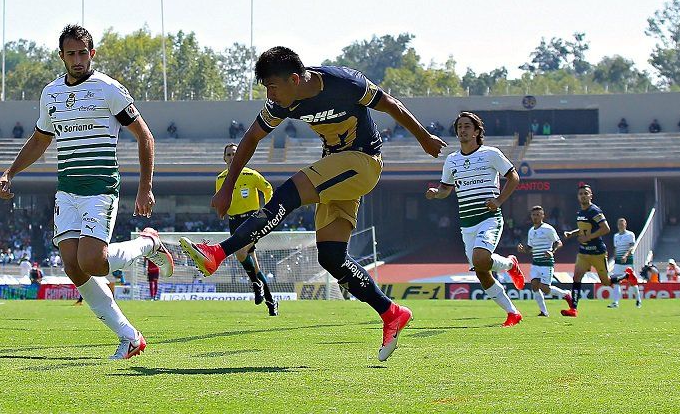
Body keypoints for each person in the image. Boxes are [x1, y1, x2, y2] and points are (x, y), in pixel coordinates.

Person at [179, 46, 447, 362]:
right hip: (338, 171)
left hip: (363, 163)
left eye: (272, 86)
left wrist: (424, 137)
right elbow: (251, 137)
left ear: (294, 79)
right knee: (332, 258)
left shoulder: (345, 82)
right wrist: (227, 187)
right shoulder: (282, 102)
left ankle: (218, 252)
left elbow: (390, 105)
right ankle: (391, 312)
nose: (270, 94)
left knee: (287, 195)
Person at [0, 24, 174, 360]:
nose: (77, 59)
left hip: (100, 187)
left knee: (93, 262)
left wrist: (145, 187)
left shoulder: (108, 89)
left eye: (82, 53)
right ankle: (129, 336)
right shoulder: (50, 94)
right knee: (73, 267)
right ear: (61, 56)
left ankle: (148, 244)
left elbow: (145, 136)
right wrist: (10, 172)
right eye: (70, 53)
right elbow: (40, 140)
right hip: (68, 191)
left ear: (92, 54)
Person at [427, 111, 525, 326]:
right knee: (481, 272)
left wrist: (498, 201)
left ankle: (509, 266)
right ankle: (512, 312)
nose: (462, 130)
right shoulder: (452, 160)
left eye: (467, 126)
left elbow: (513, 177)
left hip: (489, 218)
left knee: (481, 259)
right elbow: (446, 189)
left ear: (477, 131)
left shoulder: (491, 154)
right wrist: (436, 193)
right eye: (459, 127)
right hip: (467, 223)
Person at [214, 142, 278, 315]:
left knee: (240, 253)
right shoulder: (220, 179)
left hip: (252, 219)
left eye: (234, 153)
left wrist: (267, 210)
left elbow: (268, 188)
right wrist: (220, 208)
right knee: (253, 264)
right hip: (233, 221)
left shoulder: (251, 174)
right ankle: (271, 300)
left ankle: (256, 285)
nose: (231, 157)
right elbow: (221, 199)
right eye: (228, 154)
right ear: (224, 158)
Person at [561, 183, 612, 315]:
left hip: (597, 252)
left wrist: (589, 236)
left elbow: (605, 228)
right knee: (577, 278)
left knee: (606, 282)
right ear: (578, 197)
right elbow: (585, 229)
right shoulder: (580, 212)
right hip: (583, 252)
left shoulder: (594, 211)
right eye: (581, 194)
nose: (583, 196)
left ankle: (627, 276)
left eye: (586, 193)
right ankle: (573, 309)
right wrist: (572, 233)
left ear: (591, 196)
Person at [516, 205, 574, 317]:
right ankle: (544, 311)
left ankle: (566, 294)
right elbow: (529, 248)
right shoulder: (531, 231)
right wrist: (523, 250)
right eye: (534, 215)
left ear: (543, 215)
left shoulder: (548, 229)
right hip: (535, 263)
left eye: (538, 214)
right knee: (534, 286)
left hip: (546, 263)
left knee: (545, 289)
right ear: (531, 216)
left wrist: (552, 251)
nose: (536, 217)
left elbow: (559, 242)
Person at [609, 218, 643, 308]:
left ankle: (638, 300)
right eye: (619, 224)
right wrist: (615, 258)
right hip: (618, 263)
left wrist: (626, 255)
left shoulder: (630, 234)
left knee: (632, 282)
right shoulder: (615, 236)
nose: (621, 225)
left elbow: (632, 247)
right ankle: (615, 302)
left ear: (625, 224)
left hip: (627, 262)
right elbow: (616, 248)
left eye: (622, 224)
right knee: (616, 282)